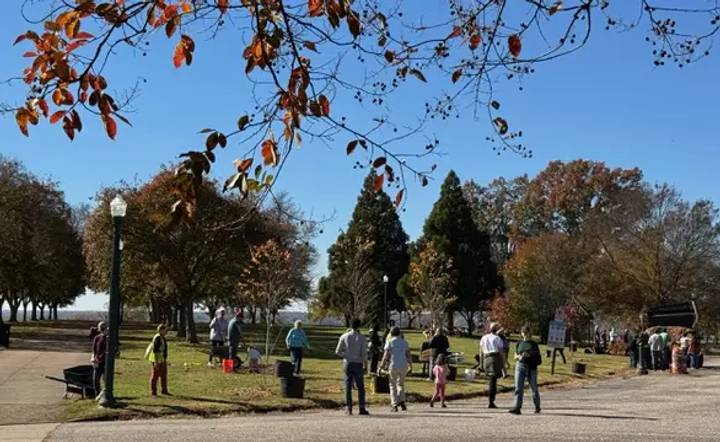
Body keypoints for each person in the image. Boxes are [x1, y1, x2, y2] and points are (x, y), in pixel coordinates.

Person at [335, 319, 369, 415]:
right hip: (358, 363)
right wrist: (366, 365)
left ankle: (349, 408)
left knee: (348, 385)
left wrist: (346, 355)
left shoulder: (344, 336)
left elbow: (337, 351)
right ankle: (361, 408)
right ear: (359, 326)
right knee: (360, 386)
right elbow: (364, 354)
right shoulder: (362, 338)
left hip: (348, 363)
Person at [509, 325, 542, 415]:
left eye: (527, 332)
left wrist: (529, 355)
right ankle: (517, 407)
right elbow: (515, 355)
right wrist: (518, 356)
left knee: (533, 387)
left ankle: (537, 406)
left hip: (531, 367)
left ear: (530, 333)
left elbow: (537, 356)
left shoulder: (534, 344)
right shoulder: (519, 343)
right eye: (523, 332)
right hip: (520, 365)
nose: (525, 334)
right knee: (518, 387)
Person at [380, 326, 412, 412]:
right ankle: (401, 401)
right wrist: (410, 365)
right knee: (400, 384)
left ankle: (394, 404)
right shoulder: (404, 342)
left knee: (392, 385)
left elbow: (386, 355)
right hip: (403, 365)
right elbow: (408, 354)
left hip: (393, 364)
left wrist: (382, 365)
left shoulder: (390, 342)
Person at [479, 322, 506, 409]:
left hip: (486, 359)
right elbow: (501, 353)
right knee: (493, 381)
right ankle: (491, 400)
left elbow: (481, 352)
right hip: (494, 359)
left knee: (491, 380)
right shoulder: (497, 339)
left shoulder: (484, 338)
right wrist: (504, 367)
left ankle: (491, 399)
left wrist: (481, 364)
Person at [146, 324, 170, 396]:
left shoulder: (163, 338)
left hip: (162, 359)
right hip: (157, 359)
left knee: (164, 375)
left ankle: (164, 390)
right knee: (155, 375)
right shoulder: (157, 338)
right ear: (161, 330)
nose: (166, 332)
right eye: (165, 330)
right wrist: (156, 362)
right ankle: (153, 392)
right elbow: (155, 350)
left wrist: (165, 359)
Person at [91, 321, 107, 398]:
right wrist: (93, 358)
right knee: (95, 379)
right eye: (100, 327)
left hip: (106, 362)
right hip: (97, 361)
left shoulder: (109, 338)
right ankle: (97, 394)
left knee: (106, 380)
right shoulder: (97, 338)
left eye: (103, 326)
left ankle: (106, 394)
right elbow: (94, 350)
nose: (101, 328)